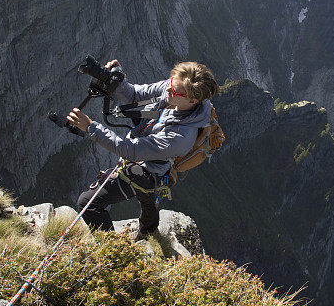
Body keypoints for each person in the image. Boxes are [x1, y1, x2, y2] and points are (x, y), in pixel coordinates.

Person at [66, 60, 219, 236]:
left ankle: (112, 251)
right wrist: (116, 79)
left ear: (193, 100)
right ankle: (149, 229)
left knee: (88, 204)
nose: (167, 90)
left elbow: (128, 149)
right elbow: (136, 95)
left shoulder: (180, 137)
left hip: (148, 169)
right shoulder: (178, 89)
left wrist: (90, 128)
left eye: (174, 90)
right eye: (170, 83)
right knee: (147, 196)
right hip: (154, 155)